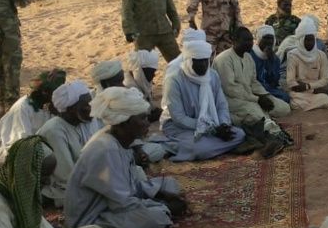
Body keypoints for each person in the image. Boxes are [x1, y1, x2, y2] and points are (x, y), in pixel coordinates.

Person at [65, 87, 187, 228]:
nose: (147, 123)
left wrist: (159, 194)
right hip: (91, 220)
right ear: (125, 122)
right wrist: (163, 206)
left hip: (113, 205)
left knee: (170, 185)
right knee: (157, 219)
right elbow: (122, 203)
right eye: (142, 118)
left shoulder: (120, 142)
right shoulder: (107, 149)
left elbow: (130, 185)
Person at [160, 29, 246, 161]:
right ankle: (180, 146)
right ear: (189, 61)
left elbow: (221, 105)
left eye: (205, 61)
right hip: (179, 127)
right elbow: (179, 118)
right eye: (198, 61)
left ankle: (203, 147)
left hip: (210, 124)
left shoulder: (212, 75)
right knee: (200, 149)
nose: (203, 65)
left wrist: (223, 125)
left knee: (240, 134)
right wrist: (211, 129)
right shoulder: (174, 80)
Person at [212, 26, 291, 158]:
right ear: (234, 41)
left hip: (250, 97)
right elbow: (231, 89)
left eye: (251, 40)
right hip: (231, 100)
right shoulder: (223, 60)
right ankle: (273, 135)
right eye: (246, 40)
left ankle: (262, 122)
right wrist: (257, 99)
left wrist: (265, 95)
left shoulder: (248, 57)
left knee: (283, 108)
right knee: (257, 114)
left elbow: (254, 82)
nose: (250, 43)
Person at [37, 81, 102, 207]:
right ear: (71, 109)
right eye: (86, 105)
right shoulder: (54, 130)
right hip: (59, 186)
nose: (91, 107)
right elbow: (66, 175)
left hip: (82, 177)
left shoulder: (82, 123)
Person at [0, 68, 66, 163]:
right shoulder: (23, 108)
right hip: (13, 150)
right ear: (45, 92)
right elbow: (21, 143)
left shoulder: (49, 106)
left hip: (37, 146)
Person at [286, 17, 328, 111]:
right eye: (307, 40)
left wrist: (309, 86)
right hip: (298, 92)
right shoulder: (293, 55)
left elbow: (325, 79)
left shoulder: (321, 55)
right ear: (301, 40)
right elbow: (290, 81)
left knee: (326, 99)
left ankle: (308, 106)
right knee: (295, 101)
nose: (310, 43)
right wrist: (298, 86)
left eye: (312, 40)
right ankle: (313, 106)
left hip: (314, 90)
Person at [250, 25, 292, 107]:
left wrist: (271, 61)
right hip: (254, 89)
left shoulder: (275, 59)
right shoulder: (251, 54)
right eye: (265, 38)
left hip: (269, 90)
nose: (269, 41)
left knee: (285, 98)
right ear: (259, 39)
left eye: (271, 38)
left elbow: (274, 82)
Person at [124, 48, 162, 121]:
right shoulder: (128, 88)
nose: (154, 75)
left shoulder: (140, 83)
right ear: (140, 71)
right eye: (151, 72)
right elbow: (137, 120)